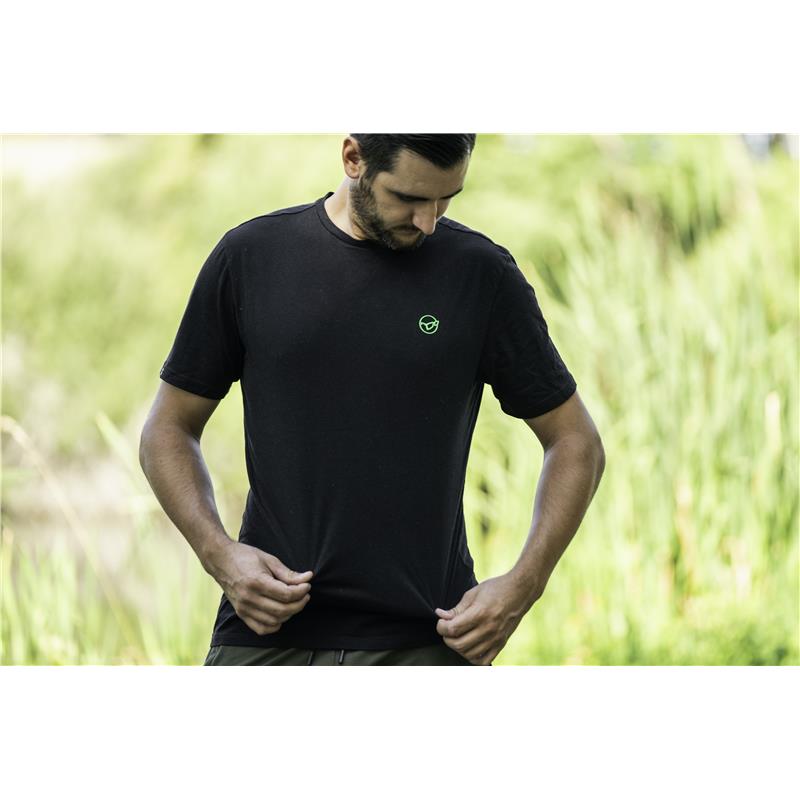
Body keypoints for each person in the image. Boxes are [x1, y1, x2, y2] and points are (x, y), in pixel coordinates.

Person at [139, 134, 605, 667]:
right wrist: (220, 556)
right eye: (409, 198)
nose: (428, 221)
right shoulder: (251, 257)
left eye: (446, 199)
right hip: (265, 637)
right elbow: (167, 430)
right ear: (353, 158)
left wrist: (523, 586)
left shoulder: (481, 274)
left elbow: (576, 442)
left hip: (431, 641)